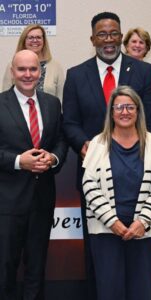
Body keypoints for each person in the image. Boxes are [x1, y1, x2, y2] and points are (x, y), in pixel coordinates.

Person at [62, 11, 151, 300]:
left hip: (138, 176)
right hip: (97, 179)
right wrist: (86, 147)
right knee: (100, 254)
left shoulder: (143, 71)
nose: (109, 40)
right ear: (93, 39)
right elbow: (70, 123)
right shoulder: (76, 74)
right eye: (102, 34)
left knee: (139, 256)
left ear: (121, 35)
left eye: (114, 33)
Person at [82, 85, 151, 300]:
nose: (125, 112)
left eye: (130, 106)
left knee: (141, 291)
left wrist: (142, 222)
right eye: (119, 107)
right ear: (111, 112)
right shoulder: (98, 143)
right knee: (110, 291)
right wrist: (113, 222)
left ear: (138, 111)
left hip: (142, 230)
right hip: (105, 230)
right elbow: (89, 186)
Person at [0, 49, 67, 300]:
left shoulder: (52, 103)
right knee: (5, 270)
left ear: (40, 72)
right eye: (22, 69)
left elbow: (60, 140)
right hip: (7, 203)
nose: (28, 75)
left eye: (33, 69)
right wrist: (19, 161)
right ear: (12, 72)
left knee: (36, 270)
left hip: (42, 201)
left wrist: (53, 158)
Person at [2, 24, 64, 102]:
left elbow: (61, 98)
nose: (35, 40)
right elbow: (5, 98)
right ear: (24, 41)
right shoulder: (12, 65)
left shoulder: (56, 66)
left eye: (38, 37)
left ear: (44, 41)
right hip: (17, 113)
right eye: (31, 37)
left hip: (49, 113)